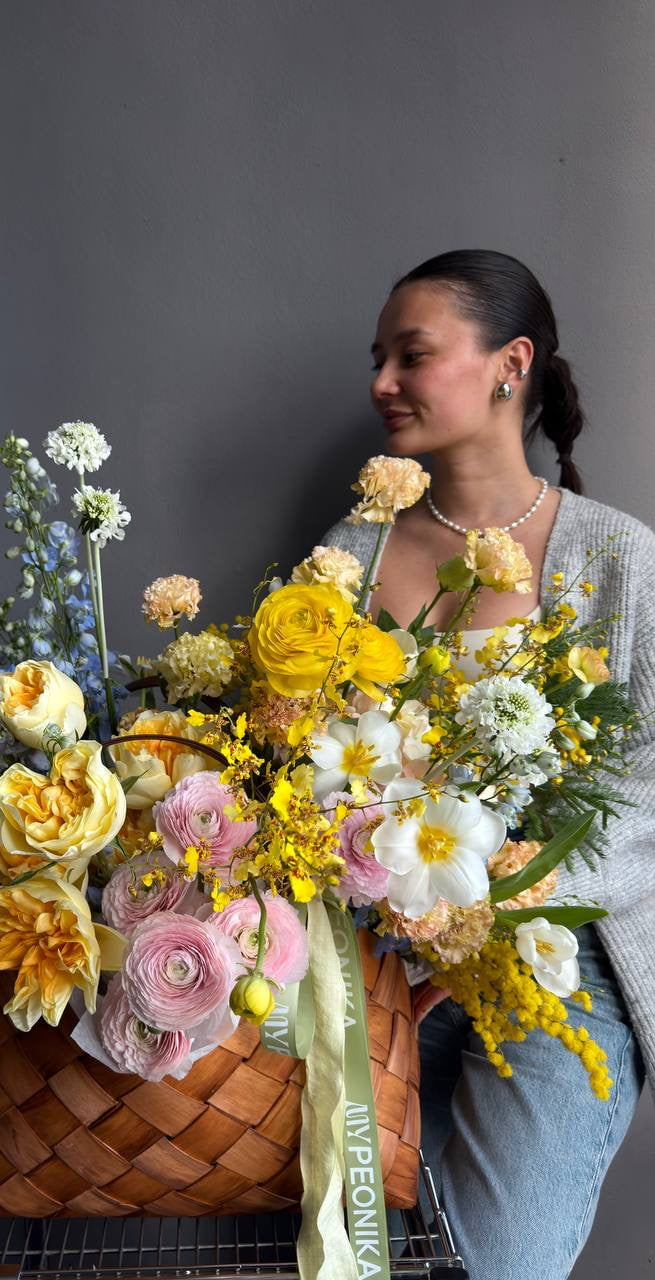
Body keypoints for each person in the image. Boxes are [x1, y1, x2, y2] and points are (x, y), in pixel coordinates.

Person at [317, 249, 654, 1280]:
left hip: (560, 958)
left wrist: (508, 891)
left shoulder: (615, 556)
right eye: (376, 359)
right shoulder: (349, 553)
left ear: (510, 364)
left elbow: (645, 782)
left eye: (409, 355)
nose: (381, 382)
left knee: (495, 1263)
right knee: (343, 1250)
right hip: (378, 959)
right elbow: (303, 758)